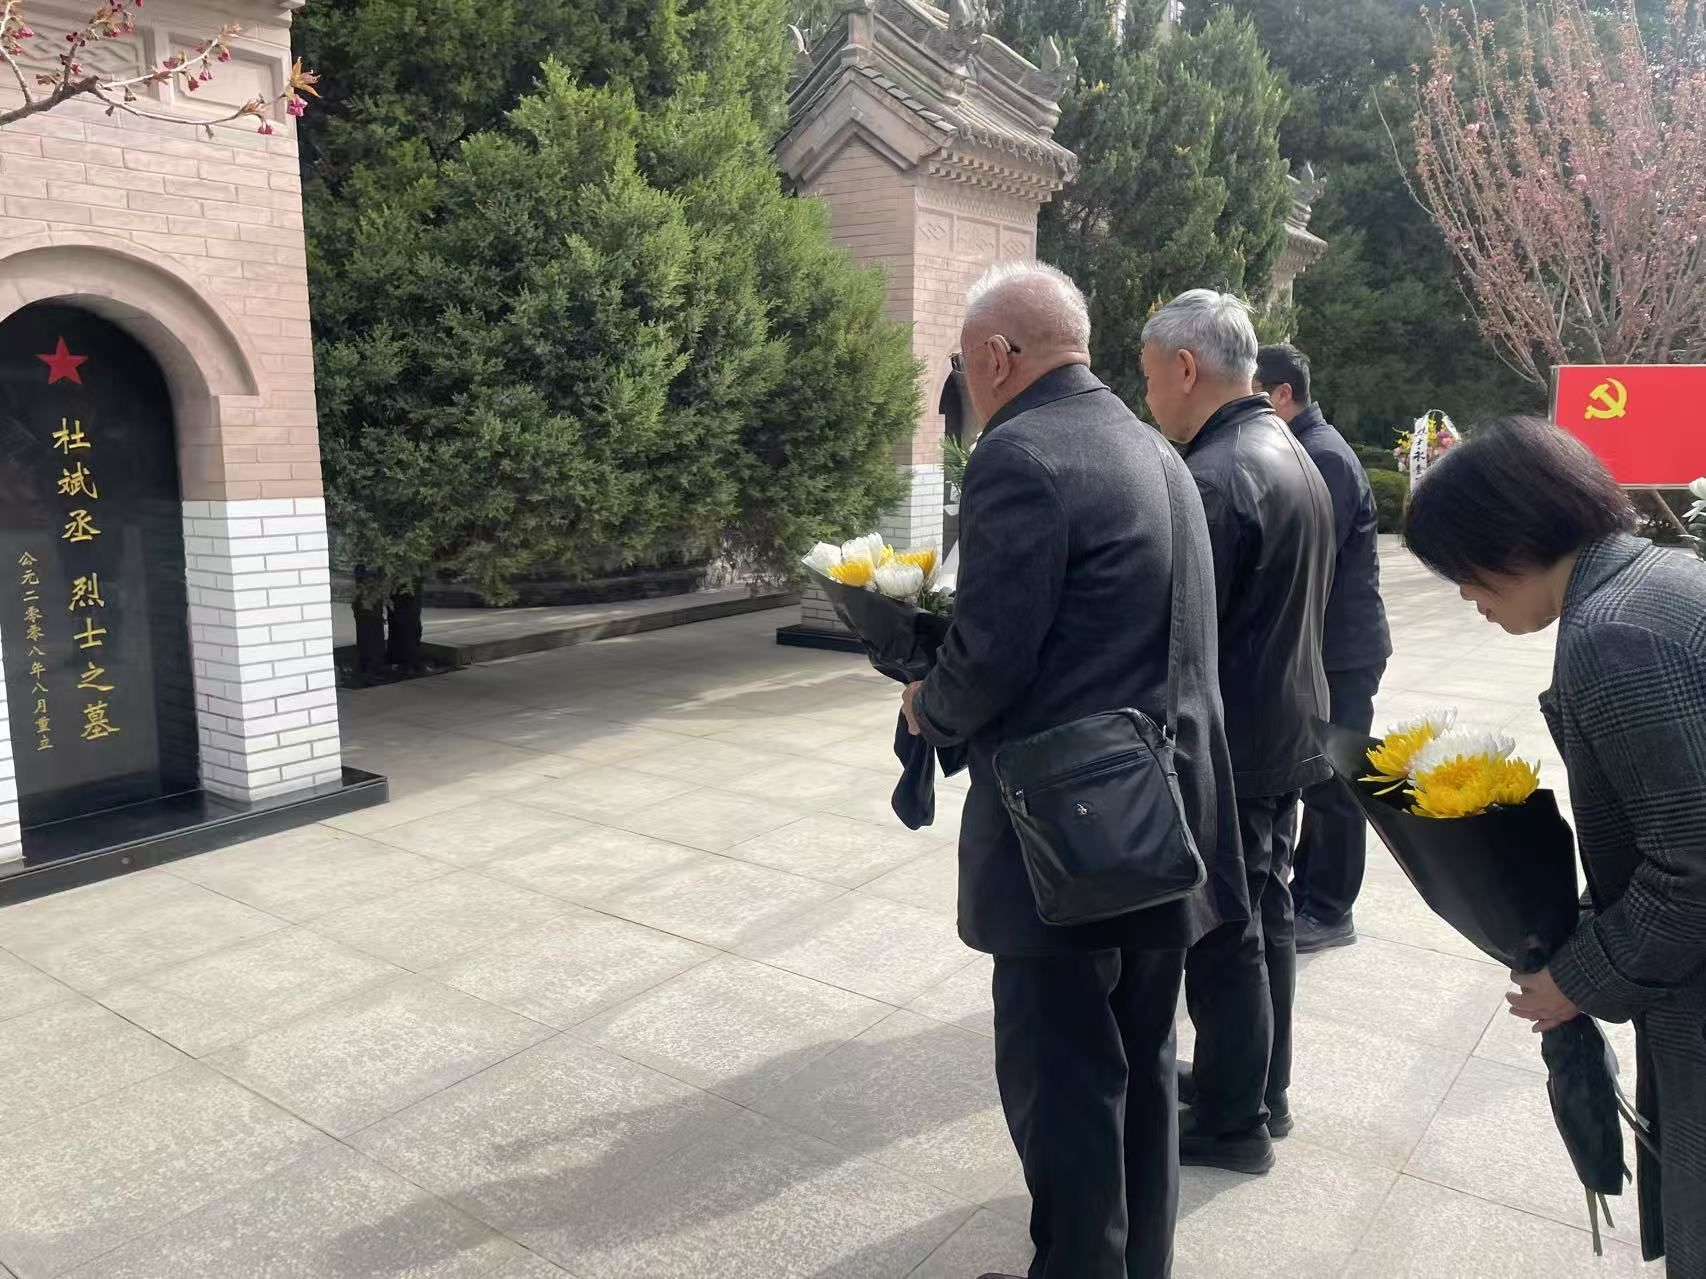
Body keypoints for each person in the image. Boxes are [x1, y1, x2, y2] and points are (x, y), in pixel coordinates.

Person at [900, 261, 1244, 1279]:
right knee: (1140, 1067)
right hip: (1165, 817)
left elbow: (990, 656)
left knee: (1063, 1083)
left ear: (996, 357)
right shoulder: (1155, 449)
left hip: (1072, 835)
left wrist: (926, 703)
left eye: (963, 366)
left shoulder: (1021, 454)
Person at [1405, 417, 1706, 1278]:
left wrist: (1576, 978)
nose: (1467, 595)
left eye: (1462, 570)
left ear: (1509, 537)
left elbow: (1692, 867)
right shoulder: (1663, 577)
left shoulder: (1614, 634)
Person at [1140, 292, 1333, 1175]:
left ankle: (1233, 1119)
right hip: (1285, 722)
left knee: (1225, 931)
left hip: (1237, 740)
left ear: (1186, 368)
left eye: (1150, 377)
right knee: (1266, 912)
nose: (1149, 399)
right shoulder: (1289, 449)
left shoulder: (1218, 475)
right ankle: (1259, 1087)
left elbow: (1182, 629)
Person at [1254, 344, 1391, 952]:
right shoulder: (1307, 447)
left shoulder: (1322, 457)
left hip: (1342, 652)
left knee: (1337, 786)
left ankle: (1331, 910)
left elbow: (1310, 560)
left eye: (1253, 393)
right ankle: (1310, 895)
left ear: (1282, 394)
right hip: (1327, 648)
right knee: (1320, 778)